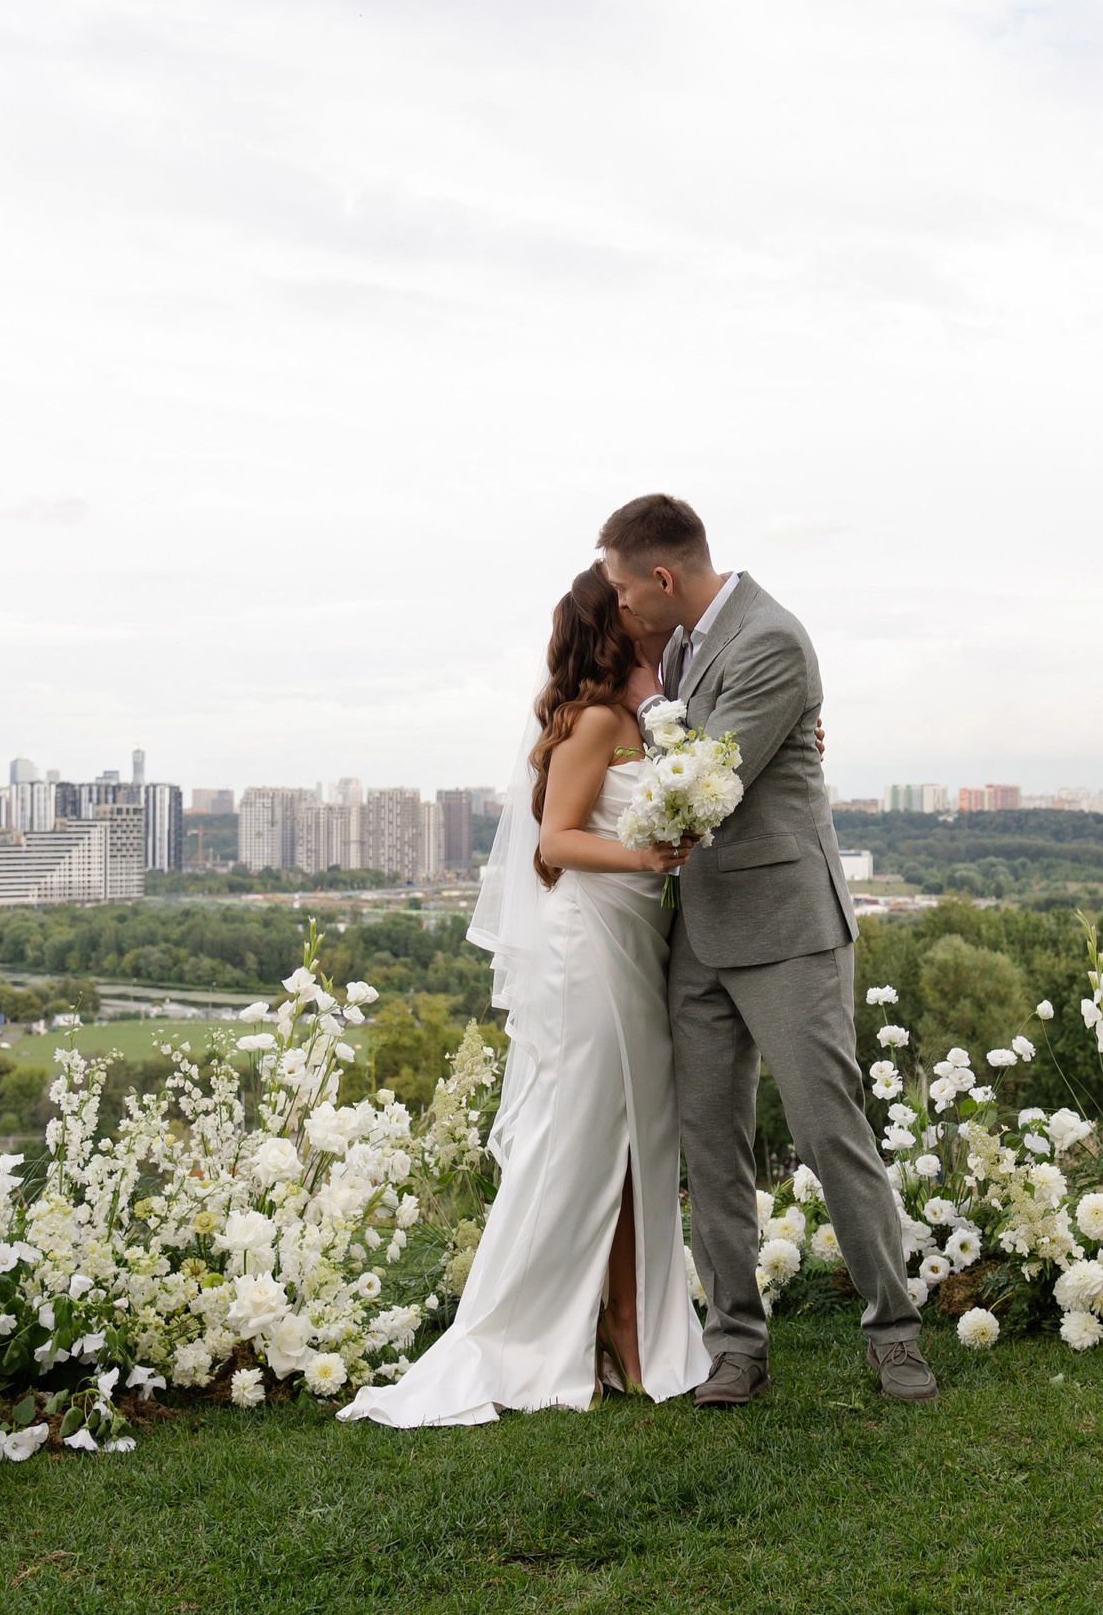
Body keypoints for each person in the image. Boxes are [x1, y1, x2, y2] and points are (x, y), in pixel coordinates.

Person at [338, 565, 712, 1426]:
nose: (641, 615)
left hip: (634, 940)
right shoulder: (590, 722)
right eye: (625, 607)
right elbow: (558, 839)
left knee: (632, 1140)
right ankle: (542, 1330)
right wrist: (650, 857)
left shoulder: (645, 717)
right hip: (592, 945)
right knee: (580, 1137)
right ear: (610, 626)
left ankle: (627, 1322)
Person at [599, 493, 938, 1406]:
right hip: (699, 933)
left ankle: (894, 1332)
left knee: (831, 1130)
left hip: (786, 929)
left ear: (665, 577)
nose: (624, 606)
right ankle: (737, 1344)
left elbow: (705, 778)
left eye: (628, 588)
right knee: (711, 1141)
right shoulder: (675, 644)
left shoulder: (770, 638)